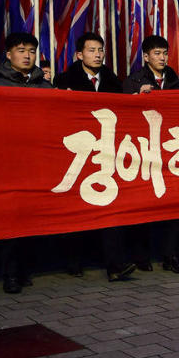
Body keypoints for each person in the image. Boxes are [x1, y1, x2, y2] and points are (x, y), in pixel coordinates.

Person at [54, 32, 135, 281]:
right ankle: (73, 261)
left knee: (109, 208)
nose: (98, 54)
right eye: (91, 50)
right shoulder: (64, 80)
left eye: (100, 50)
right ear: (79, 55)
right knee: (76, 211)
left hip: (105, 155)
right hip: (76, 156)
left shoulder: (113, 81)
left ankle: (115, 266)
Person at [0, 33, 54, 293]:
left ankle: (24, 268)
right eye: (21, 50)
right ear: (8, 54)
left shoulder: (45, 86)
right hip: (6, 162)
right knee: (11, 220)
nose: (27, 55)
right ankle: (9, 273)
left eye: (32, 51)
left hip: (36, 162)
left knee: (31, 219)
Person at [122, 36, 179, 275]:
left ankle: (171, 255)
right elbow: (124, 115)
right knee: (145, 206)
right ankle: (141, 255)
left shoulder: (174, 80)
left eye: (165, 53)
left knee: (175, 207)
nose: (162, 58)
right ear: (145, 56)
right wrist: (136, 97)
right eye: (157, 53)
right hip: (144, 153)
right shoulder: (134, 80)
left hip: (171, 153)